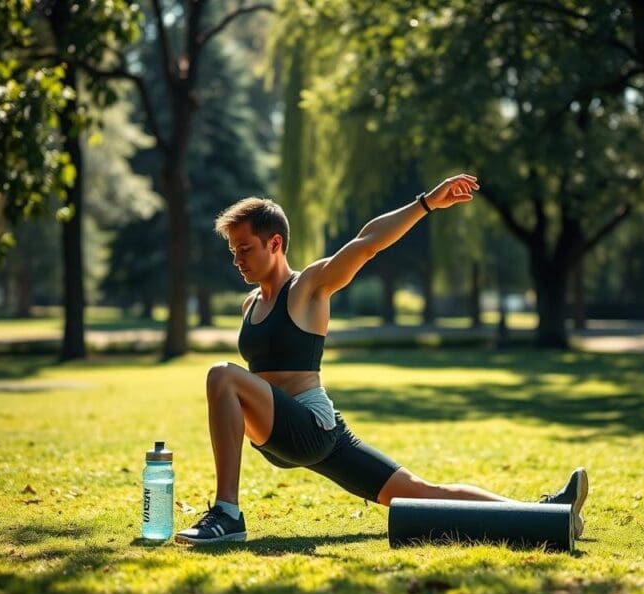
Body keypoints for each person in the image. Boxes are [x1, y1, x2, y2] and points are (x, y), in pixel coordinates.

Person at [175, 174, 588, 545]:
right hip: (281, 434)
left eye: (245, 248)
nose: (237, 259)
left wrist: (425, 203)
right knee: (421, 494)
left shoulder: (308, 288)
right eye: (233, 251)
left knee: (221, 376)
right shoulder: (250, 302)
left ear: (275, 243)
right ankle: (549, 518)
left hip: (315, 429)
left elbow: (366, 243)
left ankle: (227, 513)